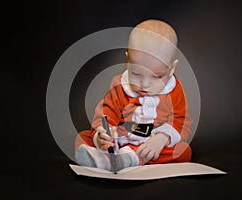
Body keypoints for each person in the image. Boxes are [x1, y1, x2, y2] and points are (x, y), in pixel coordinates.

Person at [74, 19, 193, 172]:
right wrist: (103, 135)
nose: (144, 84)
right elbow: (106, 113)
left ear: (171, 68)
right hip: (121, 140)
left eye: (156, 76)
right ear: (128, 60)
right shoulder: (119, 88)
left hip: (151, 146)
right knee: (84, 137)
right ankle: (106, 157)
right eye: (136, 73)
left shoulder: (174, 91)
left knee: (183, 151)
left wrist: (163, 138)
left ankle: (129, 158)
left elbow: (182, 121)